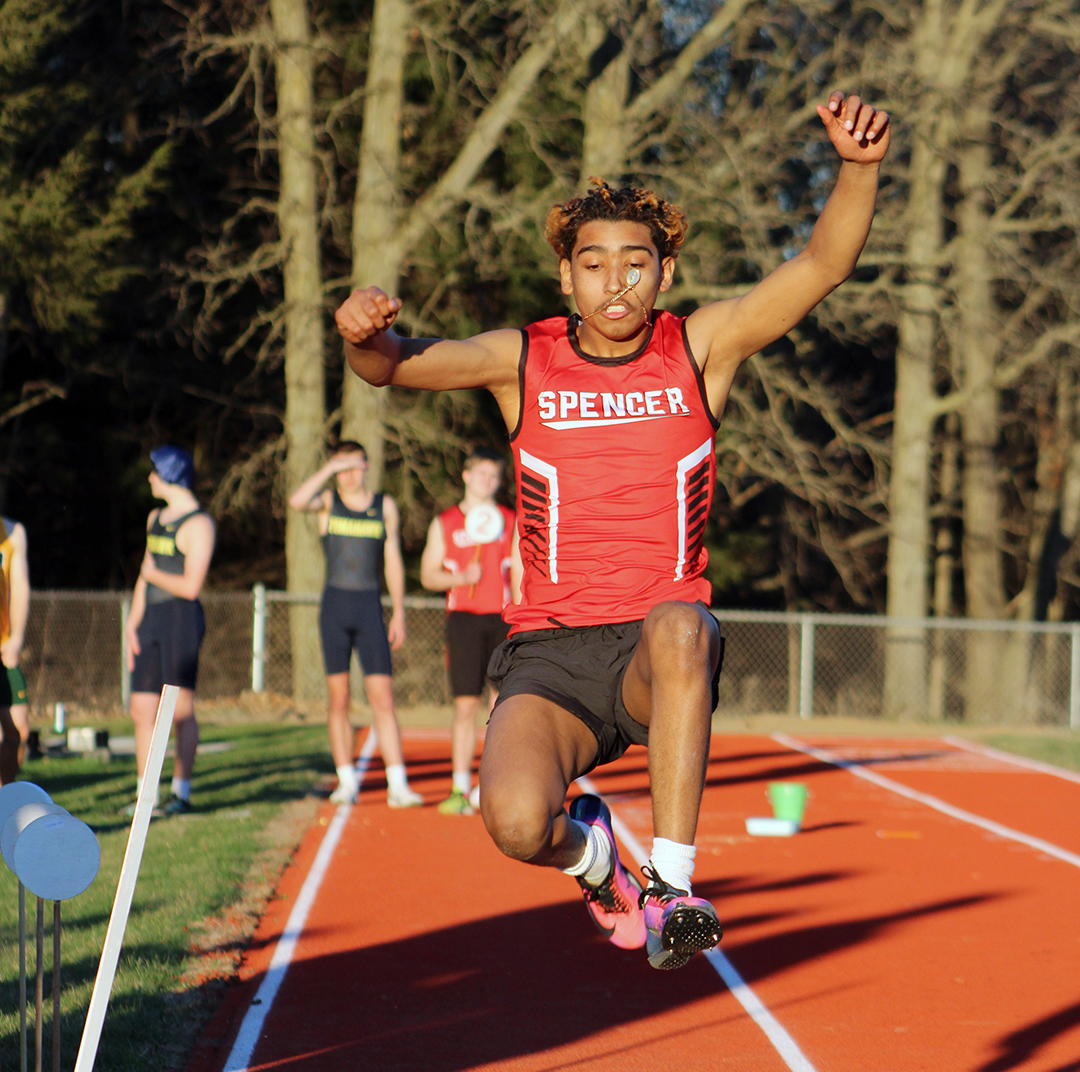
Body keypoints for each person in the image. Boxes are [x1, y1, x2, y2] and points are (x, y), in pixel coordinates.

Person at [334, 91, 890, 969]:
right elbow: (394, 366)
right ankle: (598, 861)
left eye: (637, 263)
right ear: (567, 277)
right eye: (595, 264)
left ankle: (670, 886)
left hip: (655, 652)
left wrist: (856, 170)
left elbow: (822, 264)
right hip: (550, 652)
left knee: (681, 626)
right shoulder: (523, 360)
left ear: (666, 272)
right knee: (516, 823)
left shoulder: (700, 348)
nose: (617, 281)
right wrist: (360, 333)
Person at [288, 442, 421, 808]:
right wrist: (329, 469)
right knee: (339, 698)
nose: (348, 474)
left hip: (369, 609)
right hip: (335, 608)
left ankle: (398, 784)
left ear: (366, 466)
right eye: (341, 468)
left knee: (383, 698)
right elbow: (297, 501)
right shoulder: (327, 502)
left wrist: (399, 611)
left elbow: (392, 559)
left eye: (353, 466)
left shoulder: (384, 506)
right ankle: (346, 781)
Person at [420, 447, 515, 815]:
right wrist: (461, 577)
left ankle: (492, 784)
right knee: (465, 705)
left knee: (501, 704)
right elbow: (428, 575)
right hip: (463, 619)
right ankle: (460, 787)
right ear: (466, 475)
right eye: (481, 474)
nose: (487, 481)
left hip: (504, 619)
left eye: (494, 475)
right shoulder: (445, 522)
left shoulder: (510, 520)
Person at [125, 446, 216, 815]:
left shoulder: (199, 525)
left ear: (170, 475)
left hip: (181, 620)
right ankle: (144, 797)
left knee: (180, 711)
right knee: (141, 709)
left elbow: (191, 587)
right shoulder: (155, 518)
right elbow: (144, 574)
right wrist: (133, 621)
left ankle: (181, 793)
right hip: (151, 619)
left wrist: (151, 575)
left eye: (155, 472)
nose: (150, 478)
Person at [0, 517, 30, 784]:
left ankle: (6, 797)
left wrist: (17, 638)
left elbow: (20, 588)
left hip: (3, 646)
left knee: (19, 730)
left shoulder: (13, 533)